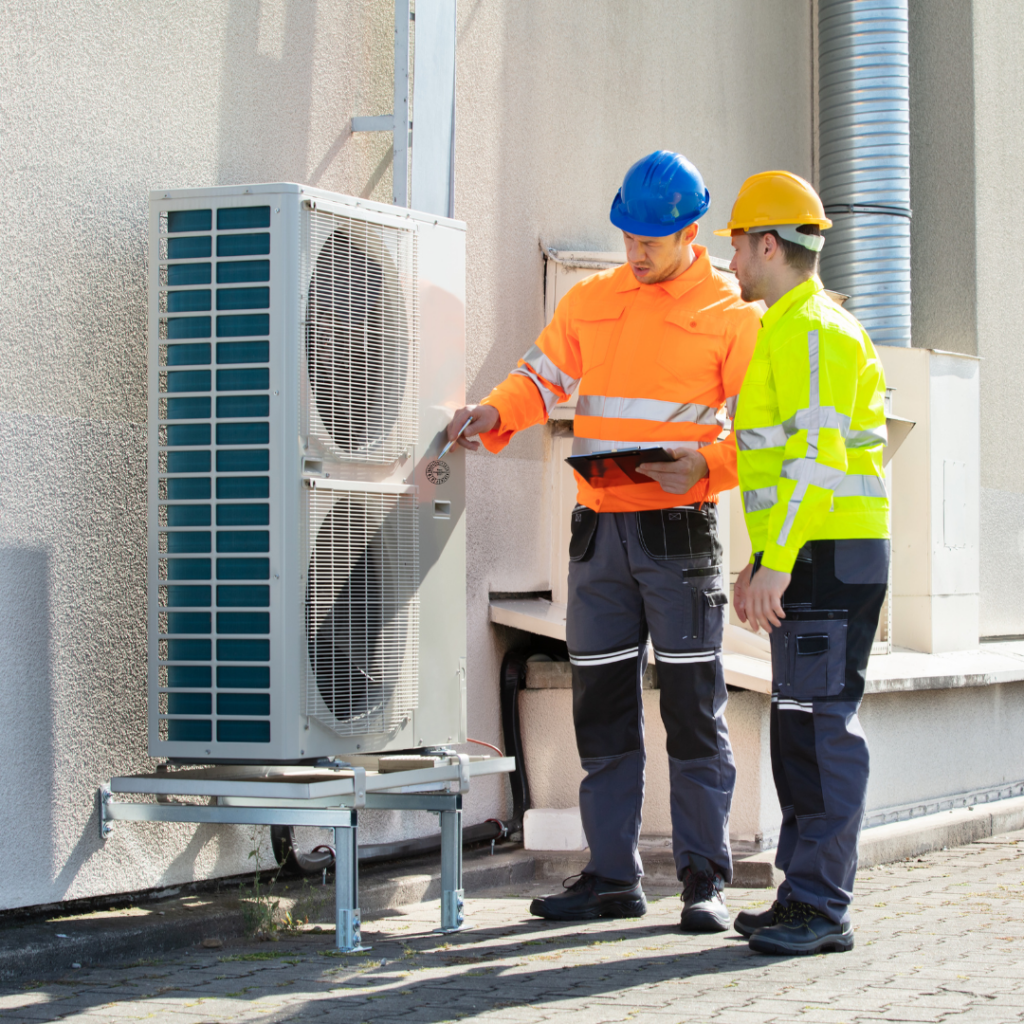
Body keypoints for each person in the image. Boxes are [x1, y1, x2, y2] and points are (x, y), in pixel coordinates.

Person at [445, 151, 759, 931]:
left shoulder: (732, 314)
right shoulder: (592, 301)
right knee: (603, 712)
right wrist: (494, 413)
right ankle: (612, 878)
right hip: (600, 541)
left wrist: (706, 466)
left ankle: (703, 883)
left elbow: (761, 438)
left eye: (652, 238)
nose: (636, 251)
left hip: (680, 539)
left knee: (692, 712)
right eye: (628, 235)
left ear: (692, 232)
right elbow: (540, 377)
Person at [719, 171, 890, 955]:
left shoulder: (814, 329)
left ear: (766, 243)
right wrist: (763, 560)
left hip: (827, 556)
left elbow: (817, 461)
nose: (731, 262)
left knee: (821, 730)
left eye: (735, 244)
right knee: (800, 727)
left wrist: (778, 563)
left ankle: (822, 907)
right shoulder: (791, 326)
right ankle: (803, 896)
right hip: (811, 553)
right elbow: (783, 466)